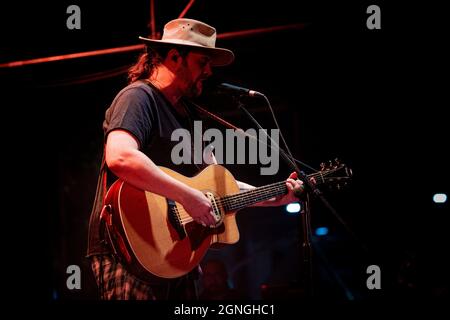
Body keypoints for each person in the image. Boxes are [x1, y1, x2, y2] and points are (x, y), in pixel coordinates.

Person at [86, 18, 304, 300]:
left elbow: (220, 185)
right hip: (130, 247)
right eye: (203, 61)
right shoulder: (139, 97)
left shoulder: (189, 116)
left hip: (178, 256)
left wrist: (277, 196)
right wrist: (189, 196)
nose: (209, 71)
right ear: (175, 57)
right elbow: (121, 157)